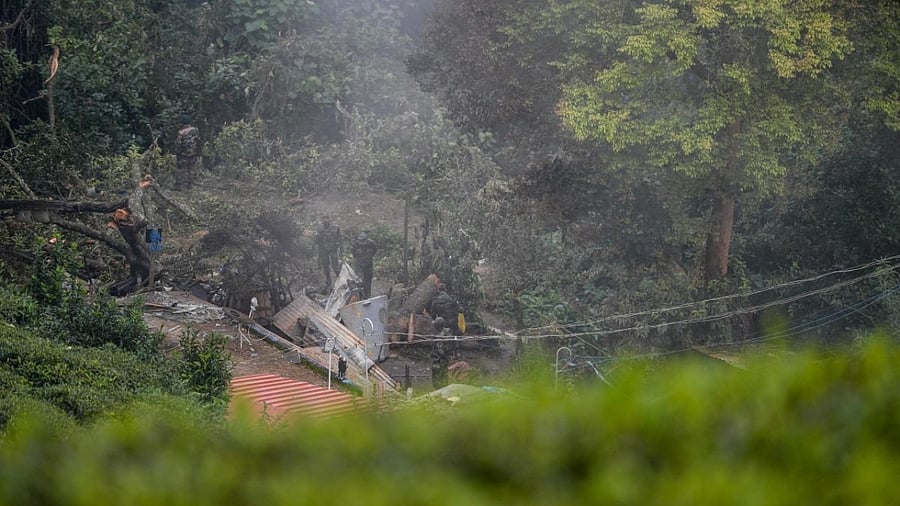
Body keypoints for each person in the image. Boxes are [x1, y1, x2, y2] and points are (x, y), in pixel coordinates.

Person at [173, 114, 201, 189]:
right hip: (193, 153)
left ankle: (179, 186)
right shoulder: (196, 130)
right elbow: (198, 141)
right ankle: (189, 185)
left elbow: (178, 144)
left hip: (183, 154)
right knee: (191, 169)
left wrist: (177, 152)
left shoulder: (181, 132)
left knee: (180, 169)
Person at [315, 216, 341, 288]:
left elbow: (339, 239)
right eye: (324, 221)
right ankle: (328, 282)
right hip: (323, 250)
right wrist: (317, 237)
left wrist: (340, 249)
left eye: (327, 220)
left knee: (336, 266)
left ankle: (340, 280)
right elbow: (316, 241)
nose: (326, 222)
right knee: (325, 266)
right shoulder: (319, 228)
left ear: (330, 221)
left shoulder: (335, 227)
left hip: (333, 249)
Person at [351, 231, 377, 298]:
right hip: (359, 265)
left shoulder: (371, 244)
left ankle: (368, 295)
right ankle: (360, 295)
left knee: (368, 280)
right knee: (360, 280)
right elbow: (354, 254)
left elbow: (375, 251)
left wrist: (368, 257)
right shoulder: (355, 244)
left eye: (363, 240)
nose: (361, 242)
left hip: (368, 264)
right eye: (360, 240)